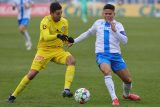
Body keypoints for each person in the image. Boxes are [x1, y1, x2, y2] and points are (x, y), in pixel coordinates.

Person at [72, 4, 140, 106]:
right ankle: (114, 98)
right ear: (102, 13)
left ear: (114, 14)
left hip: (116, 56)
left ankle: (126, 95)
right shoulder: (98, 23)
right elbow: (88, 33)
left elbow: (125, 41)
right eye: (106, 13)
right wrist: (74, 41)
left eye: (110, 14)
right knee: (106, 71)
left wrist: (115, 31)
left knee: (128, 80)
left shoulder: (118, 25)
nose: (107, 15)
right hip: (102, 55)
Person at [8, 2, 75, 103]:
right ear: (51, 13)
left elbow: (64, 39)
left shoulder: (64, 22)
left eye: (61, 13)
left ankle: (66, 90)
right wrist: (58, 35)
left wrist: (68, 41)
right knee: (32, 74)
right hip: (44, 51)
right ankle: (13, 96)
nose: (60, 15)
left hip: (58, 50)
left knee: (71, 61)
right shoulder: (45, 21)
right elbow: (46, 37)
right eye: (57, 13)